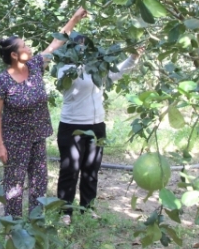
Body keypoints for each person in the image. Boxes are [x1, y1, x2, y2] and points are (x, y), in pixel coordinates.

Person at [0, 7, 88, 218]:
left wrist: (74, 19)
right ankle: (13, 226)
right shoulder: (2, 80)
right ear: (15, 55)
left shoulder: (35, 66)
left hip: (37, 136)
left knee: (39, 181)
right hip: (14, 140)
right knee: (14, 184)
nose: (29, 47)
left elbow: (55, 43)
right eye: (24, 46)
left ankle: (36, 224)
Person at [56, 40, 144, 224]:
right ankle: (65, 211)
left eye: (86, 47)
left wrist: (133, 56)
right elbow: (66, 84)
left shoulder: (98, 68)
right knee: (70, 170)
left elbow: (117, 72)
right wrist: (83, 63)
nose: (83, 49)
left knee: (91, 170)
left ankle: (87, 208)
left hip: (96, 126)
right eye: (79, 46)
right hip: (73, 126)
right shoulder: (65, 69)